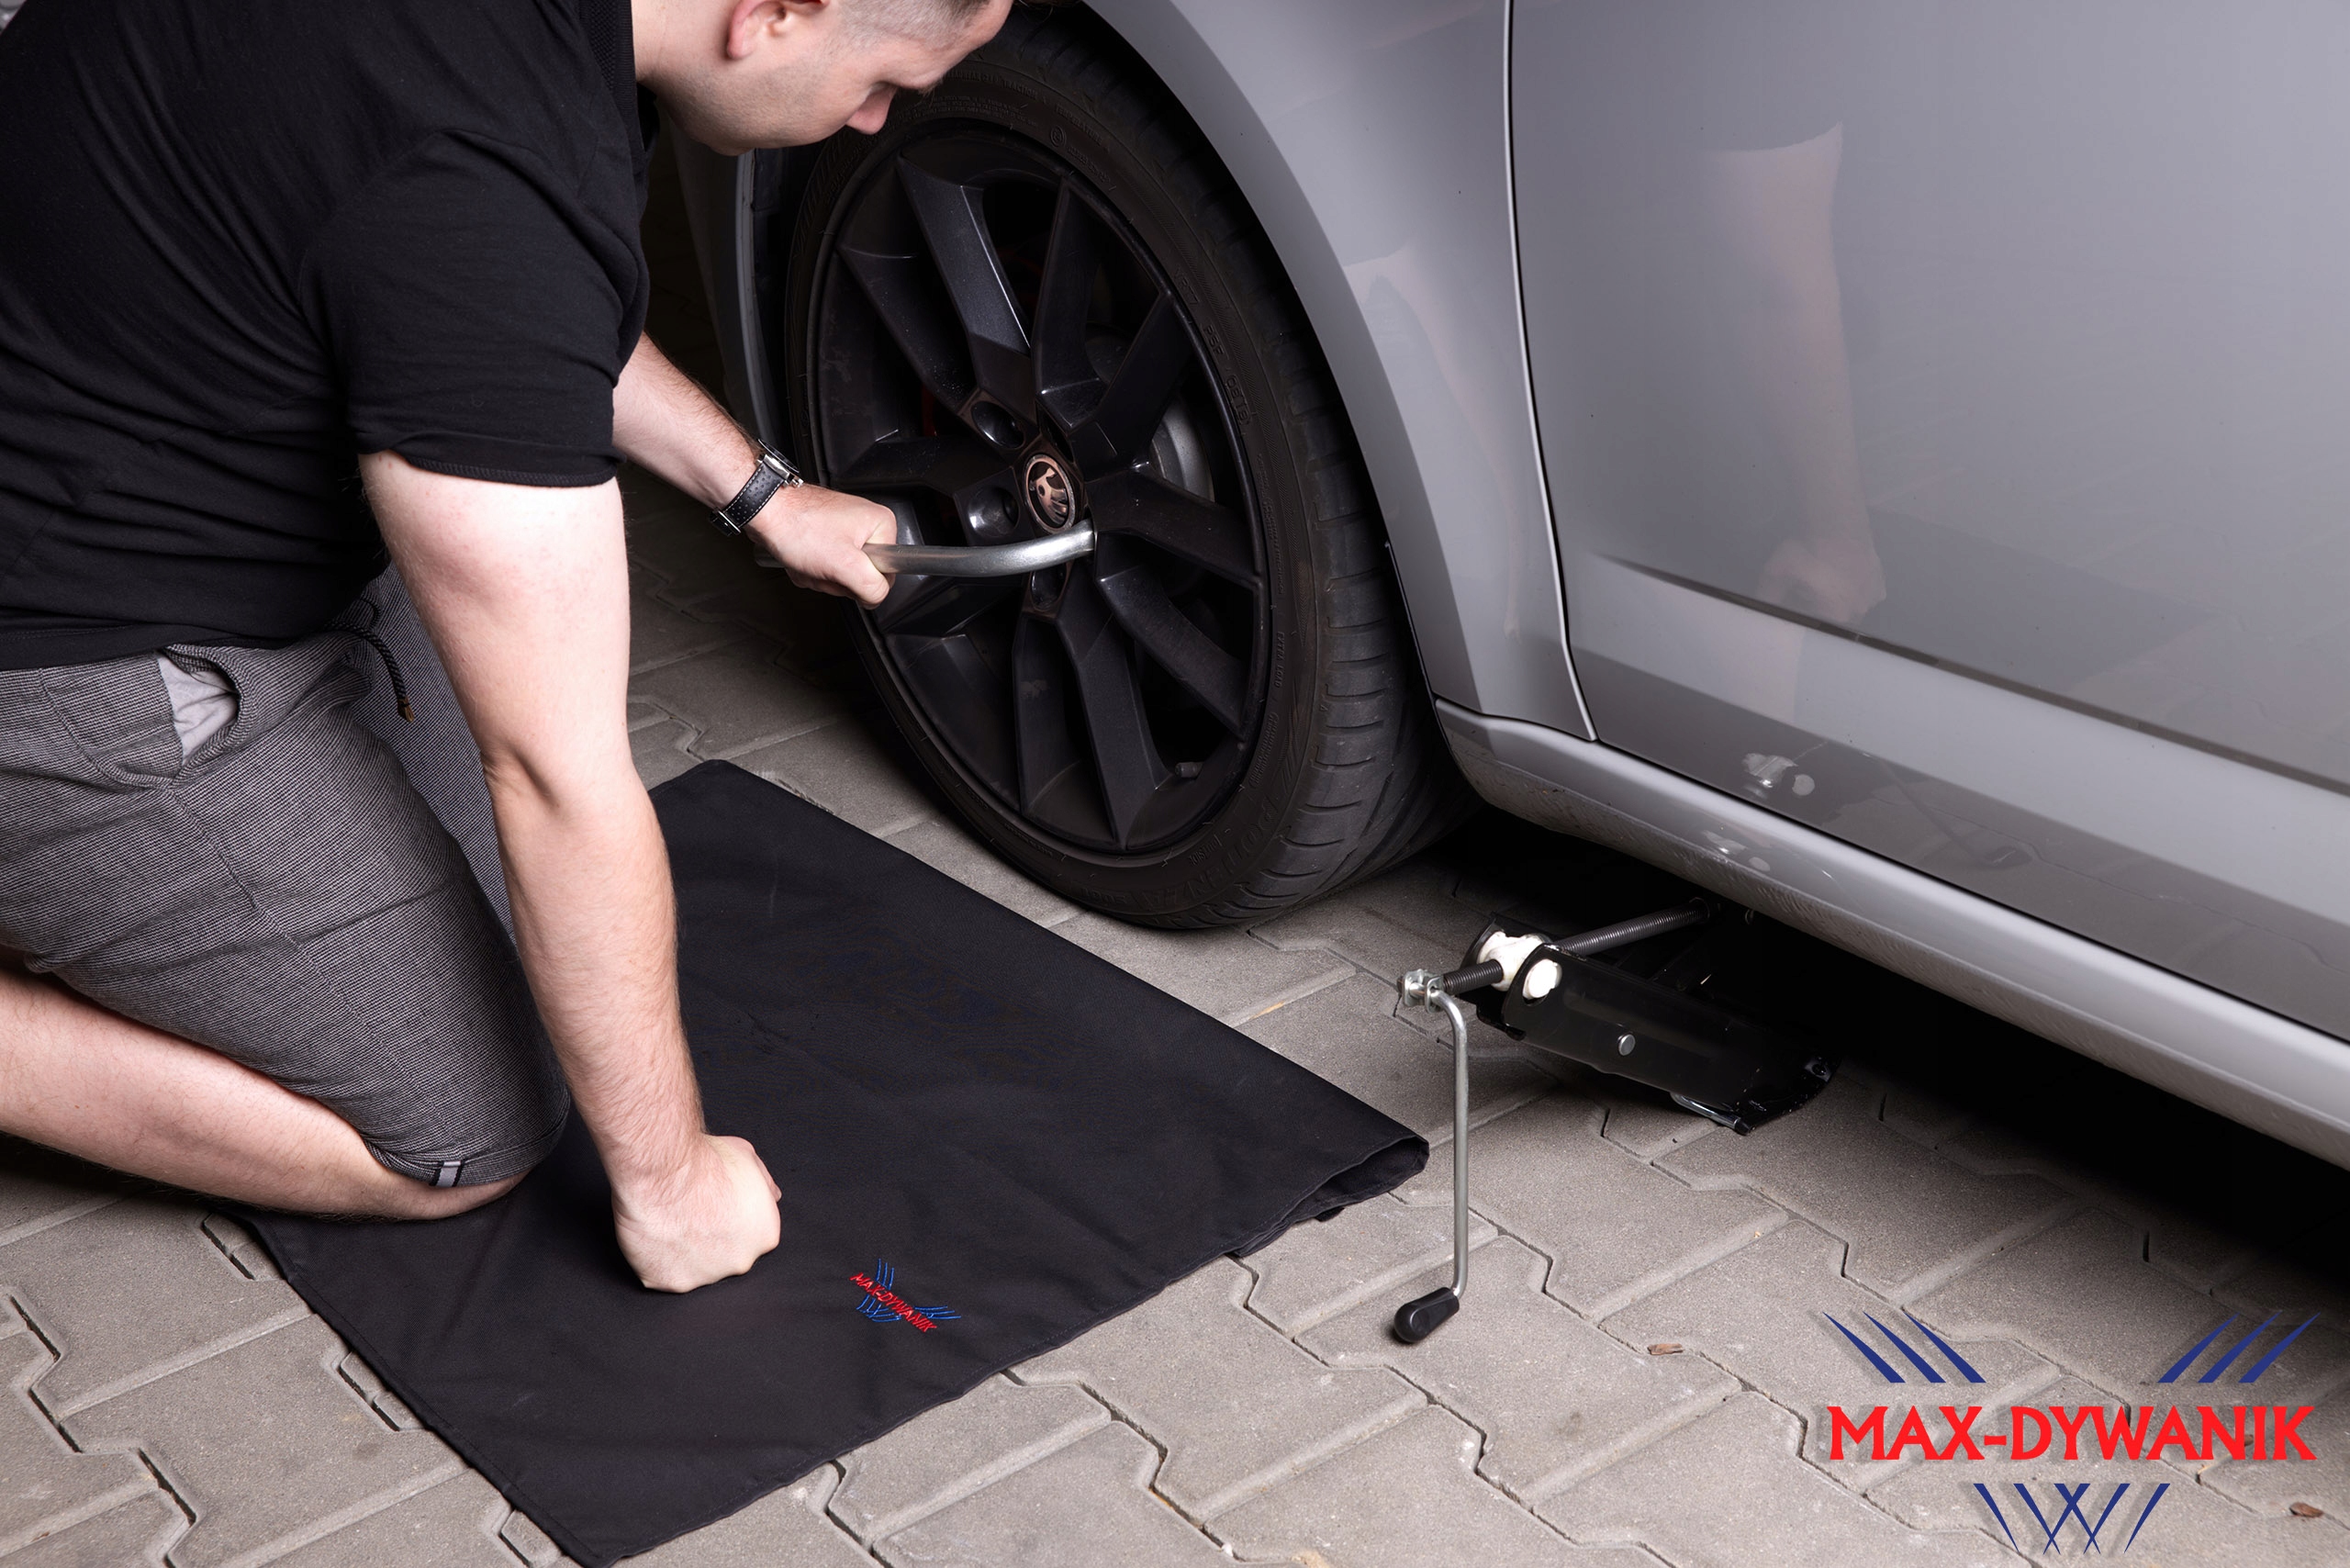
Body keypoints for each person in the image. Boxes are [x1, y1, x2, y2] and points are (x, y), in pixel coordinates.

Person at [0, 0, 1009, 1293]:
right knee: (467, 1127)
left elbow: (502, 307)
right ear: (777, 15)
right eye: (886, 80)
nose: (874, 120)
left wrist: (762, 492)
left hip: (130, 452)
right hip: (66, 659)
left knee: (544, 957)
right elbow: (551, 776)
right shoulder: (475, 168)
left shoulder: (528, 65)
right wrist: (669, 1184)